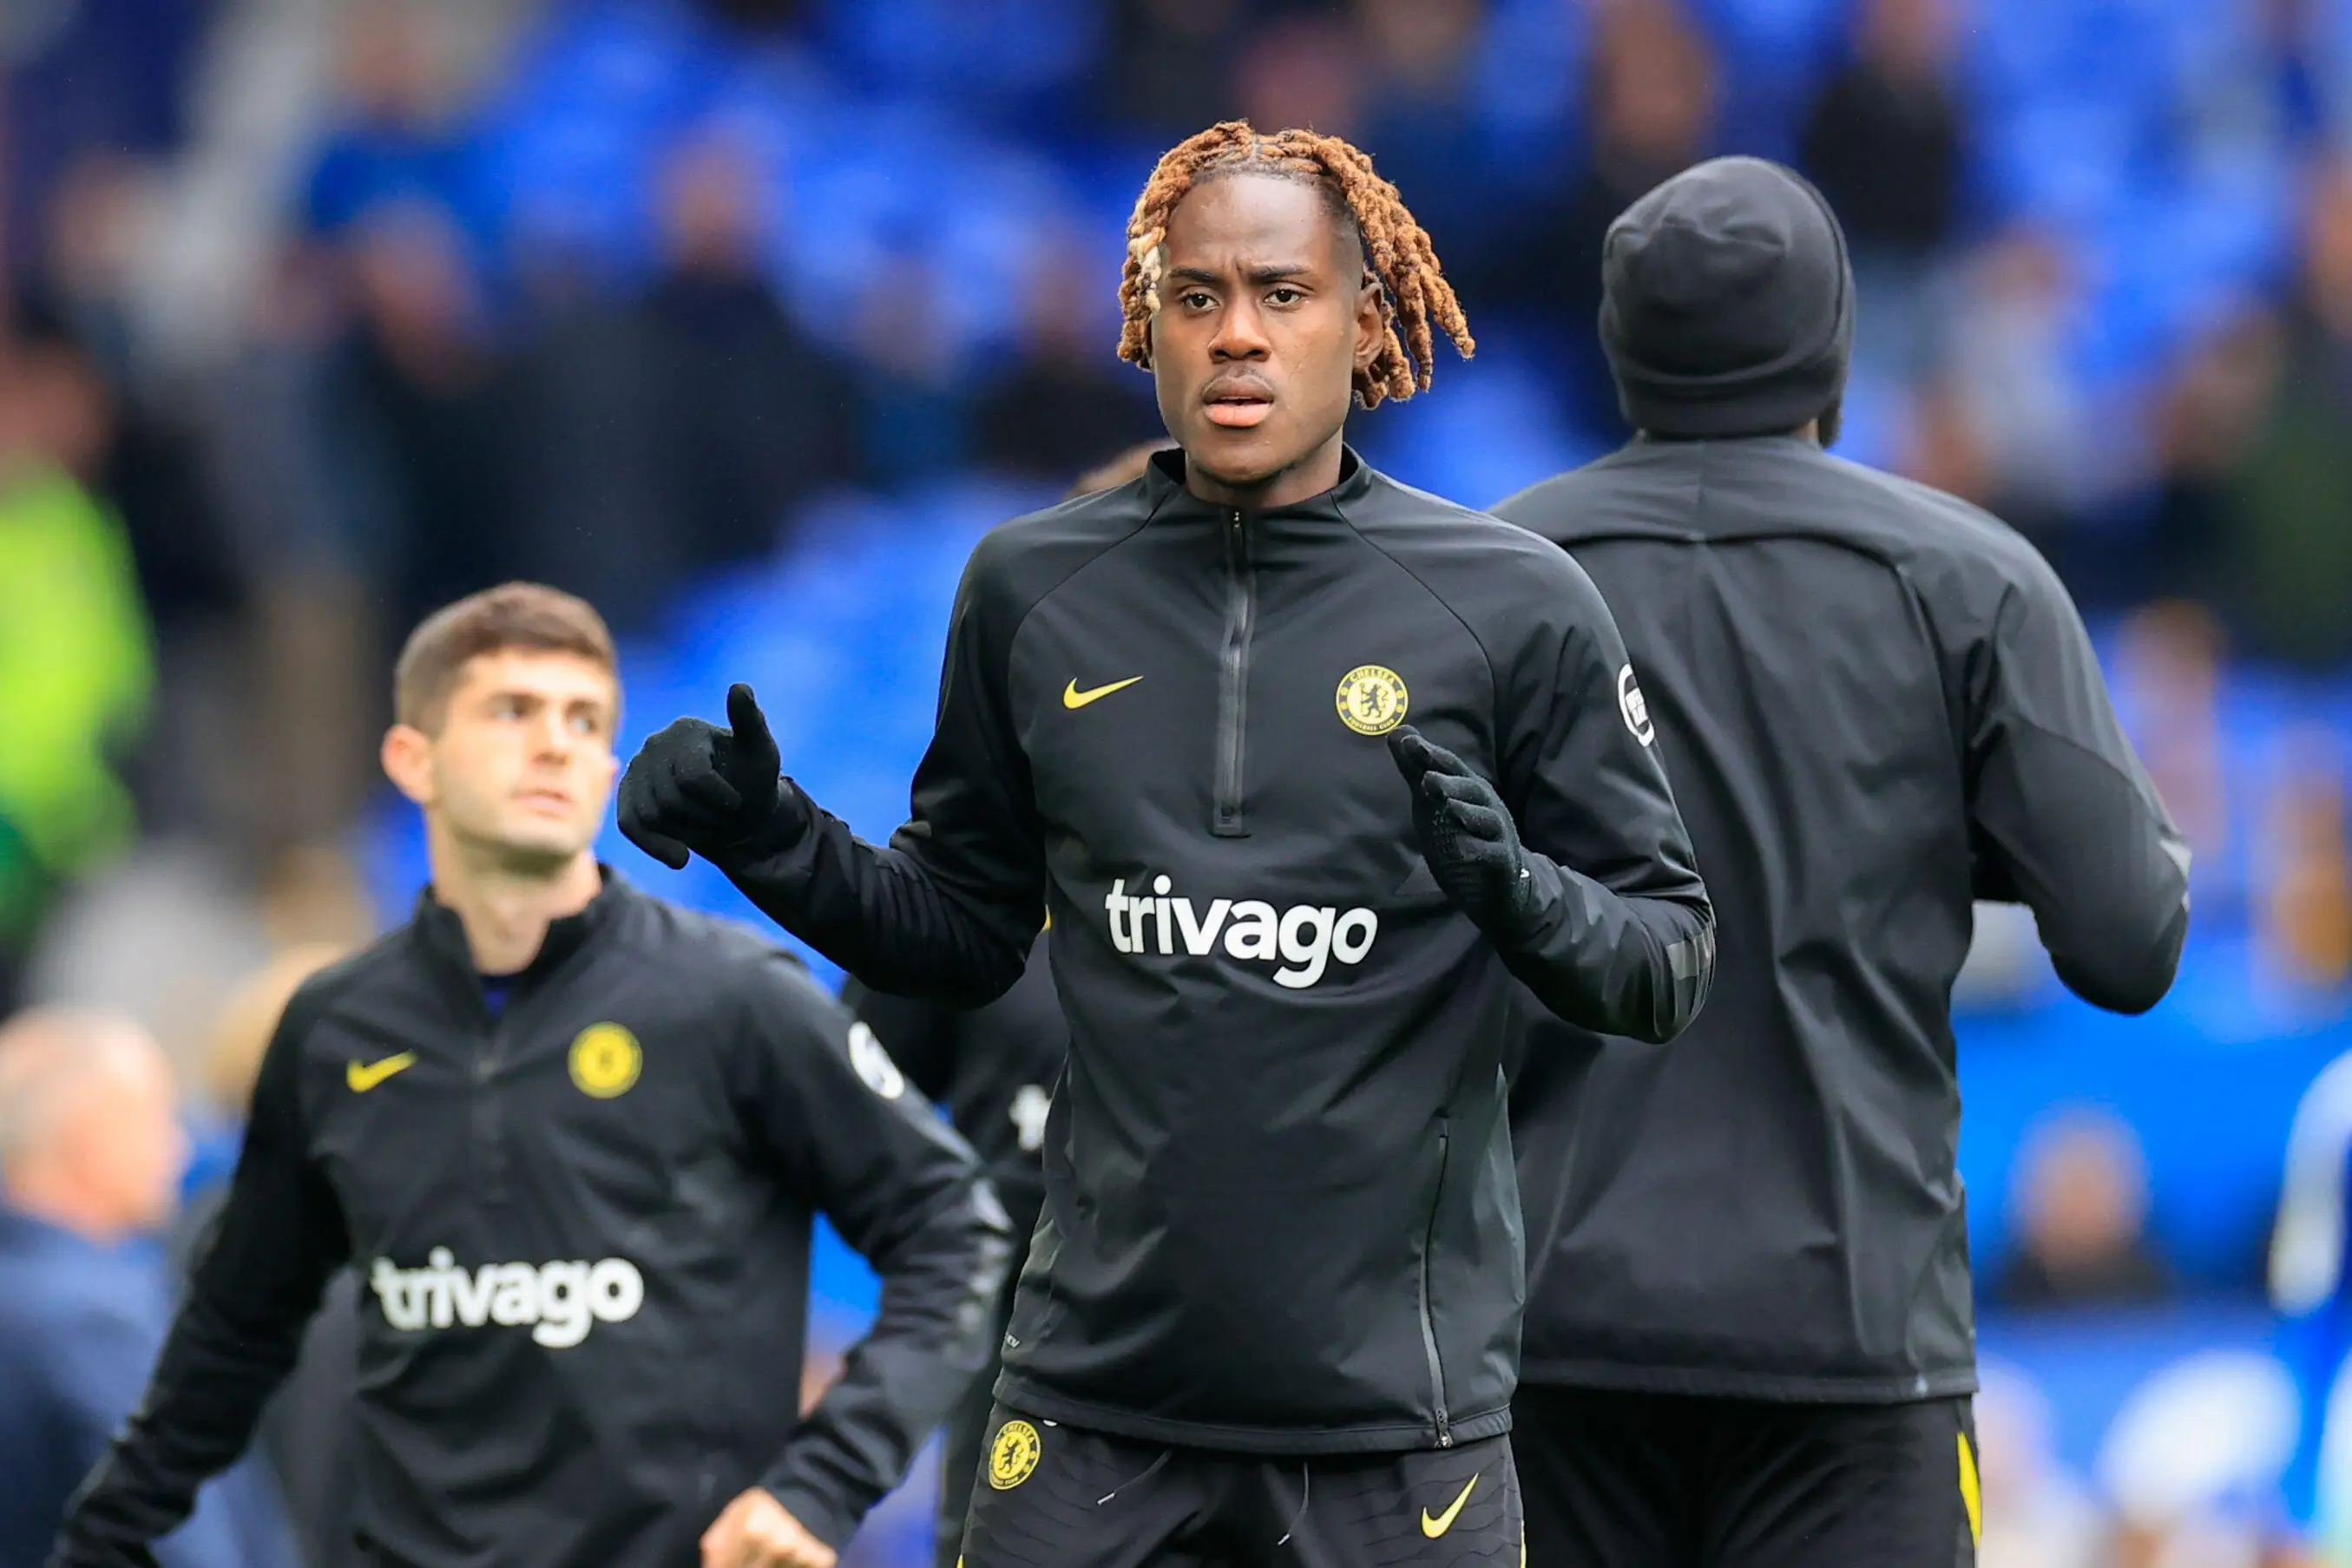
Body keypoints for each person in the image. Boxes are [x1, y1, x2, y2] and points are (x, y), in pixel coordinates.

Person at [621, 121, 1716, 1567]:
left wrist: (1520, 897)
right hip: (1089, 1406)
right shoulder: (1033, 586)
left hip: (1403, 1423)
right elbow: (957, 931)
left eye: (1283, 292)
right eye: (1197, 298)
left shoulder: (1515, 606)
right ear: (1146, 325)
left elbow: (1668, 956)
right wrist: (768, 836)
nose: (1238, 335)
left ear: (1366, 319)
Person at [1492, 156, 2191, 1566]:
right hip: (1854, 1358)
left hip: (1535, 1349)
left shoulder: (1482, 577)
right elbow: (2129, 942)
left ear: (1624, 347)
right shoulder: (1971, 584)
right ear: (1836, 347)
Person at [50, 583, 1009, 1568]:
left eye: (583, 719)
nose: (554, 742)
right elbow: (224, 1350)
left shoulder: (733, 1000)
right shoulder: (333, 1031)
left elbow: (955, 1236)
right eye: (512, 711)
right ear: (411, 759)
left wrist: (821, 1483)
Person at [840, 445, 1165, 1568]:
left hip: (1286, 1437)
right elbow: (846, 1112)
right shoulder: (966, 882)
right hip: (1018, 1443)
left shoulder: (1340, 865)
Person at [0, 1008, 298, 1568]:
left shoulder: (27, 1291)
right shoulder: (98, 1317)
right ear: (90, 1137)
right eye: (158, 1119)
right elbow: (176, 1539)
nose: (179, 1148)